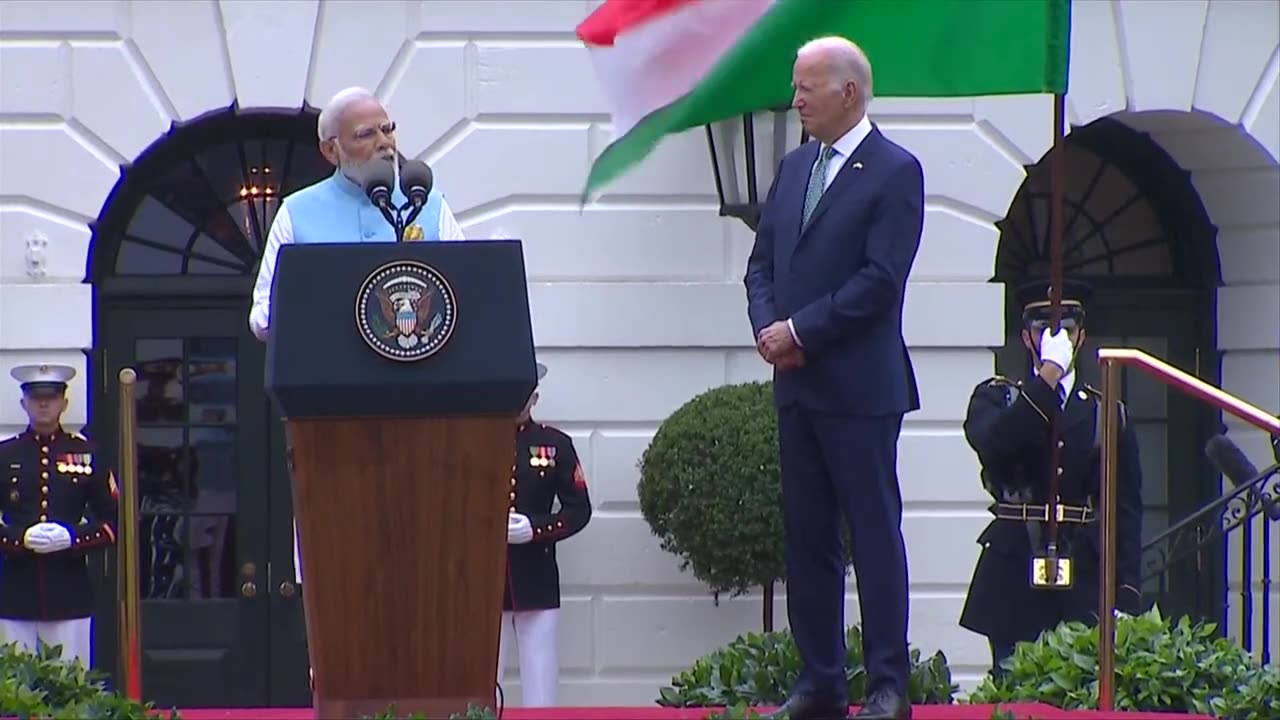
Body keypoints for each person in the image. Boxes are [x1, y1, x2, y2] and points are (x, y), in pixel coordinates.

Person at [744, 36, 923, 720]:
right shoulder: (793, 169)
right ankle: (821, 682)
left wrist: (803, 331)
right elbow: (762, 263)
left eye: (805, 88)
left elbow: (880, 280)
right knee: (808, 539)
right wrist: (770, 331)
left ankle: (886, 686)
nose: (794, 100)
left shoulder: (895, 171)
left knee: (874, 536)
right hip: (796, 387)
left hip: (860, 389)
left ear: (848, 92)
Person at [958, 278, 1145, 673]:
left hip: (1082, 575)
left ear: (1081, 337)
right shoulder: (998, 397)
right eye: (1043, 328)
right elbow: (996, 443)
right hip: (1014, 571)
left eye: (1067, 329)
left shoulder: (1105, 411)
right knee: (1013, 691)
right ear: (1026, 337)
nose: (1055, 337)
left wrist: (1125, 590)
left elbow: (1125, 506)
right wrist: (1045, 379)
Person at [248, 85, 467, 342]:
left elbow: (466, 291)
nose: (384, 143)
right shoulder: (296, 212)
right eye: (365, 135)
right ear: (331, 151)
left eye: (387, 130)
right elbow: (263, 317)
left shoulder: (427, 202)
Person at [0, 364, 118, 666]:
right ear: (23, 403)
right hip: (15, 589)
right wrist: (17, 539)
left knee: (70, 684)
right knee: (16, 690)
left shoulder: (88, 454)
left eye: (51, 398)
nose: (43, 404)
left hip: (69, 589)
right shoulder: (5, 456)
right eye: (36, 397)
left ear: (63, 403)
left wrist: (72, 538)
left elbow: (115, 523)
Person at [498, 362, 593, 707]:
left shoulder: (554, 445)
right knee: (480, 690)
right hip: (482, 585)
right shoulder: (472, 443)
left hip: (535, 578)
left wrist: (536, 529)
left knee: (541, 689)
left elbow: (579, 510)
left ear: (534, 398)